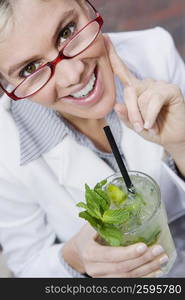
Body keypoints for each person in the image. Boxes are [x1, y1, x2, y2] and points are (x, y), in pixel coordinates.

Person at [0, 0, 185, 278]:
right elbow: (27, 266)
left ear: (88, 7)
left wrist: (181, 145)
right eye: (29, 69)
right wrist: (74, 258)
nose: (73, 75)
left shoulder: (155, 52)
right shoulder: (5, 147)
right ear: (7, 83)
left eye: (67, 31)